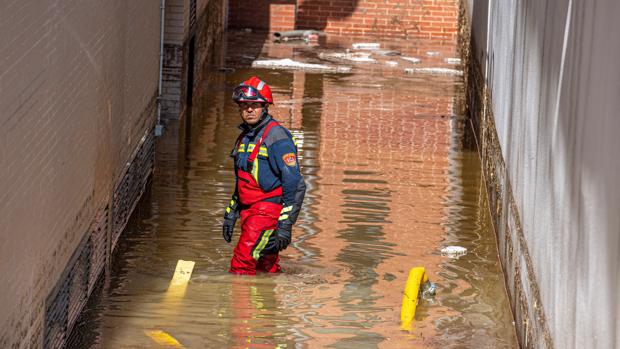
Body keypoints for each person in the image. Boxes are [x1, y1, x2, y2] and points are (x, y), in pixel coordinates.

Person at [222, 76, 306, 275]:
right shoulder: (245, 137)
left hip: (266, 211)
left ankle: (239, 304)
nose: (249, 110)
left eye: (255, 105)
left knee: (241, 264)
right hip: (249, 212)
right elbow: (242, 180)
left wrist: (285, 224)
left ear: (265, 107)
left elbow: (296, 185)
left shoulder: (277, 138)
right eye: (244, 105)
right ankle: (267, 302)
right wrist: (231, 212)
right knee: (265, 266)